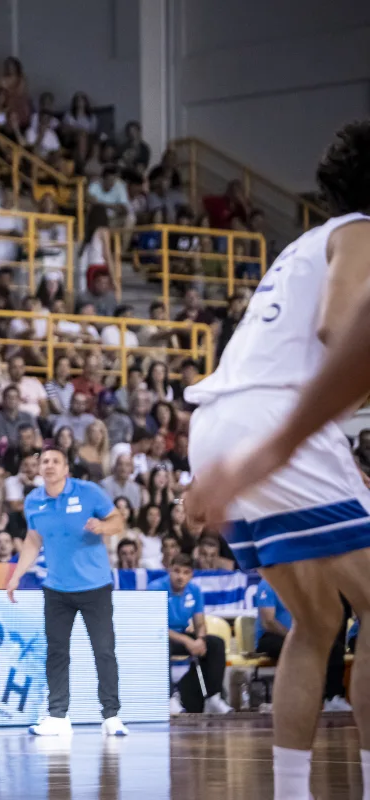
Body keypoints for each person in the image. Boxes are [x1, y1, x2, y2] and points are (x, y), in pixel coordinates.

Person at [184, 120, 370, 800]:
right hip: (271, 417)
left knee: (318, 622)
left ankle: (291, 792)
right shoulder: (362, 231)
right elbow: (339, 326)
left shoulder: (306, 242)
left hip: (218, 421)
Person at [8, 447, 128, 737]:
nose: (49, 465)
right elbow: (33, 540)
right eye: (44, 461)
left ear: (66, 469)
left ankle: (111, 715)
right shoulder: (33, 501)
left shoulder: (89, 492)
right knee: (57, 652)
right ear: (39, 469)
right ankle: (57, 716)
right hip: (56, 588)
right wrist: (16, 575)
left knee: (104, 651)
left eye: (55, 461)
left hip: (95, 586)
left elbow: (119, 521)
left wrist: (103, 525)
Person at [148, 555, 233, 715]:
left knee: (216, 643)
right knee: (162, 645)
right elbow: (156, 626)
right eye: (177, 571)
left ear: (191, 574)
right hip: (159, 636)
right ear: (169, 570)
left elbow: (200, 622)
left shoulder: (195, 591)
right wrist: (187, 641)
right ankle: (168, 699)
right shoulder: (155, 588)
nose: (180, 576)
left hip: (182, 635)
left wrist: (200, 639)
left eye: (186, 572)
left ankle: (213, 698)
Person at [255, 581, 353, 713]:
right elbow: (268, 622)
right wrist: (293, 636)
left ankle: (333, 698)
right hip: (270, 636)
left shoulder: (300, 585)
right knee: (295, 649)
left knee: (335, 648)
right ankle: (288, 700)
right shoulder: (267, 585)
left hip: (298, 636)